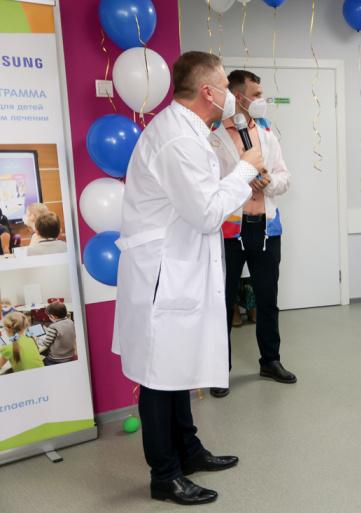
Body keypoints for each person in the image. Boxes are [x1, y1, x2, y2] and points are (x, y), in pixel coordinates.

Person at [112, 51, 264, 506]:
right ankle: (165, 474)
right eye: (225, 87)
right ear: (208, 92)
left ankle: (188, 450)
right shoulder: (177, 138)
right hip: (163, 275)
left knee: (176, 368)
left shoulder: (191, 130)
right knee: (160, 377)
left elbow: (202, 197)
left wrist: (238, 168)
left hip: (177, 268)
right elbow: (205, 212)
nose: (231, 96)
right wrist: (246, 168)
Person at [209, 70, 296, 398]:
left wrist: (268, 183)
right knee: (223, 302)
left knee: (268, 299)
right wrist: (242, 181)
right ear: (238, 97)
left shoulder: (267, 132)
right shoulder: (214, 137)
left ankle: (270, 361)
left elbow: (285, 177)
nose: (261, 99)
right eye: (256, 94)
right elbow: (208, 186)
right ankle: (219, 371)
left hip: (266, 228)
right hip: (230, 230)